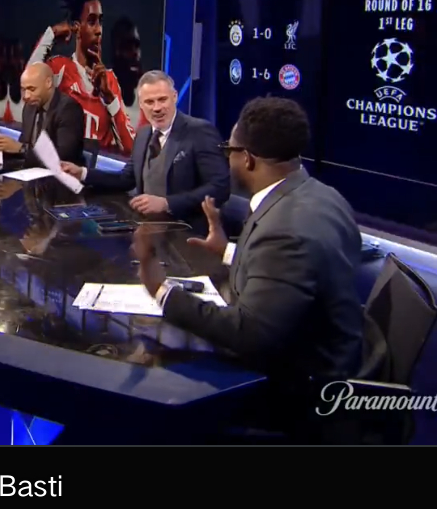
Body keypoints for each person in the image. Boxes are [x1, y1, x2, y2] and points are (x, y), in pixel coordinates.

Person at [135, 96, 365, 381]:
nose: (227, 158)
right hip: (328, 347)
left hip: (303, 380)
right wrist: (227, 251)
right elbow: (291, 273)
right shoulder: (324, 195)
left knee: (164, 373)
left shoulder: (284, 230)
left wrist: (160, 289)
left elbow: (250, 334)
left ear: (247, 158)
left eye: (228, 149)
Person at [60, 70, 229, 227]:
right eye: (149, 102)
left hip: (186, 229)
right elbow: (126, 179)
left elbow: (220, 187)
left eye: (162, 99)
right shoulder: (143, 134)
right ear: (141, 104)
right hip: (147, 226)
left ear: (174, 97)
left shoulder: (199, 131)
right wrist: (82, 173)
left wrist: (167, 203)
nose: (157, 108)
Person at [25, 0, 136, 154]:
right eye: (91, 22)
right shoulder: (60, 69)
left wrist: (109, 99)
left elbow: (130, 149)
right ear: (77, 27)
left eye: (100, 21)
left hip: (96, 170)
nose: (98, 30)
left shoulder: (109, 81)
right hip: (63, 165)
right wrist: (51, 33)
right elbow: (29, 81)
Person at [0, 62, 85, 165]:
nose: (26, 96)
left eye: (32, 89)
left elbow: (63, 156)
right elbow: (25, 151)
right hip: (31, 172)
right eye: (23, 89)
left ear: (48, 83)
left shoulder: (68, 108)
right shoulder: (30, 107)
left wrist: (19, 148)